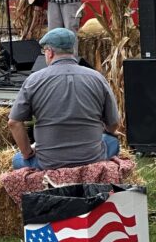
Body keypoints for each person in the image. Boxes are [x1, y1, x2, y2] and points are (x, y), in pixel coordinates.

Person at [8, 27, 120, 171]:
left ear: (50, 52)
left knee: (17, 159)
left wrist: (27, 153)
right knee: (112, 141)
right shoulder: (98, 78)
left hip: (47, 164)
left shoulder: (33, 80)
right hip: (92, 161)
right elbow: (113, 124)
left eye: (44, 51)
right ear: (72, 50)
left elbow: (14, 123)